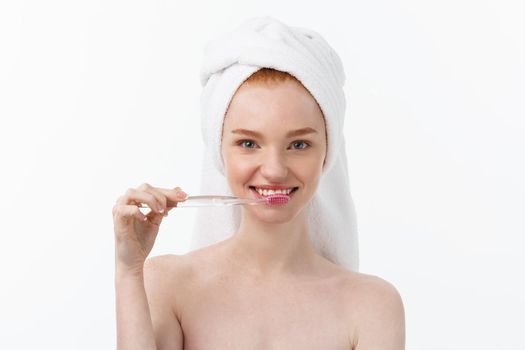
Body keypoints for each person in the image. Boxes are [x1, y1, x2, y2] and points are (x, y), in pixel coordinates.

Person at [113, 18, 405, 350]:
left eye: (298, 145)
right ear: (219, 150)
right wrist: (128, 272)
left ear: (328, 152)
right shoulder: (167, 283)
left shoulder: (372, 306)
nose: (275, 170)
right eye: (249, 144)